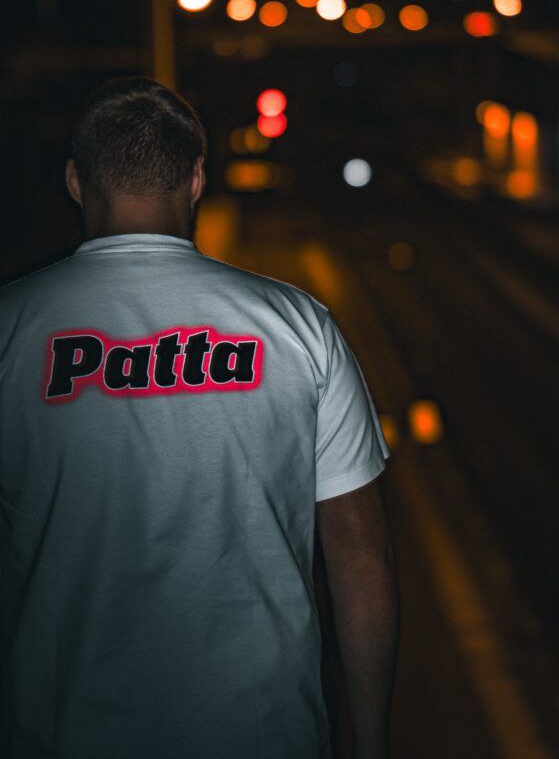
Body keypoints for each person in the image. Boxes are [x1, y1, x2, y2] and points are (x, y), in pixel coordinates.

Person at [0, 77, 398, 759]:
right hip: (264, 731)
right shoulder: (298, 327)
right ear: (195, 179)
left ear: (76, 181)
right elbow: (358, 554)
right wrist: (370, 742)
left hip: (59, 731)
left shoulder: (11, 329)